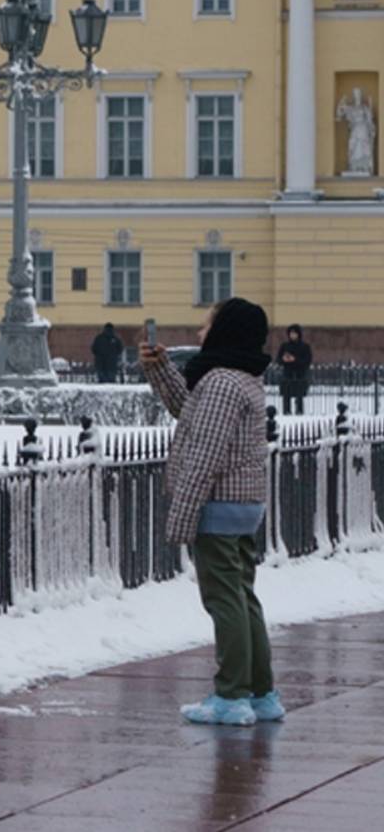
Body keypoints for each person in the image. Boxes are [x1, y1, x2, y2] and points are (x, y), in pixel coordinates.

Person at [142, 299, 280, 726]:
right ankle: (260, 693)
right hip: (242, 503)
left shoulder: (220, 382)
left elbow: (204, 452)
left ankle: (231, 694)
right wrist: (161, 369)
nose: (201, 330)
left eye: (209, 323)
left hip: (220, 505)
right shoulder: (240, 378)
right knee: (243, 598)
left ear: (226, 331)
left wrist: (183, 515)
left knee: (224, 601)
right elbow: (192, 412)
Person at [277, 325, 314, 417]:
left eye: (294, 333)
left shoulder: (304, 346)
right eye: (291, 333)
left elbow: (307, 360)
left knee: (299, 395)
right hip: (287, 373)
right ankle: (286, 411)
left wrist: (295, 360)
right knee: (286, 395)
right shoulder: (285, 346)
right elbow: (278, 359)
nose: (292, 335)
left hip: (300, 374)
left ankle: (299, 411)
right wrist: (284, 359)